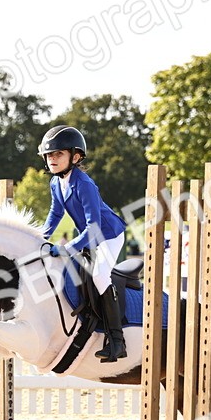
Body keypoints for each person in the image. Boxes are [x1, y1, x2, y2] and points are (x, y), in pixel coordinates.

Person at [37, 125, 129, 362]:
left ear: (75, 157)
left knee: (99, 275)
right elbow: (55, 214)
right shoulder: (56, 183)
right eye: (49, 155)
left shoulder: (84, 183)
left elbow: (95, 228)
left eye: (58, 154)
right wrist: (39, 237)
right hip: (87, 236)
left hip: (108, 234)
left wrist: (66, 248)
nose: (52, 159)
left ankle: (117, 341)